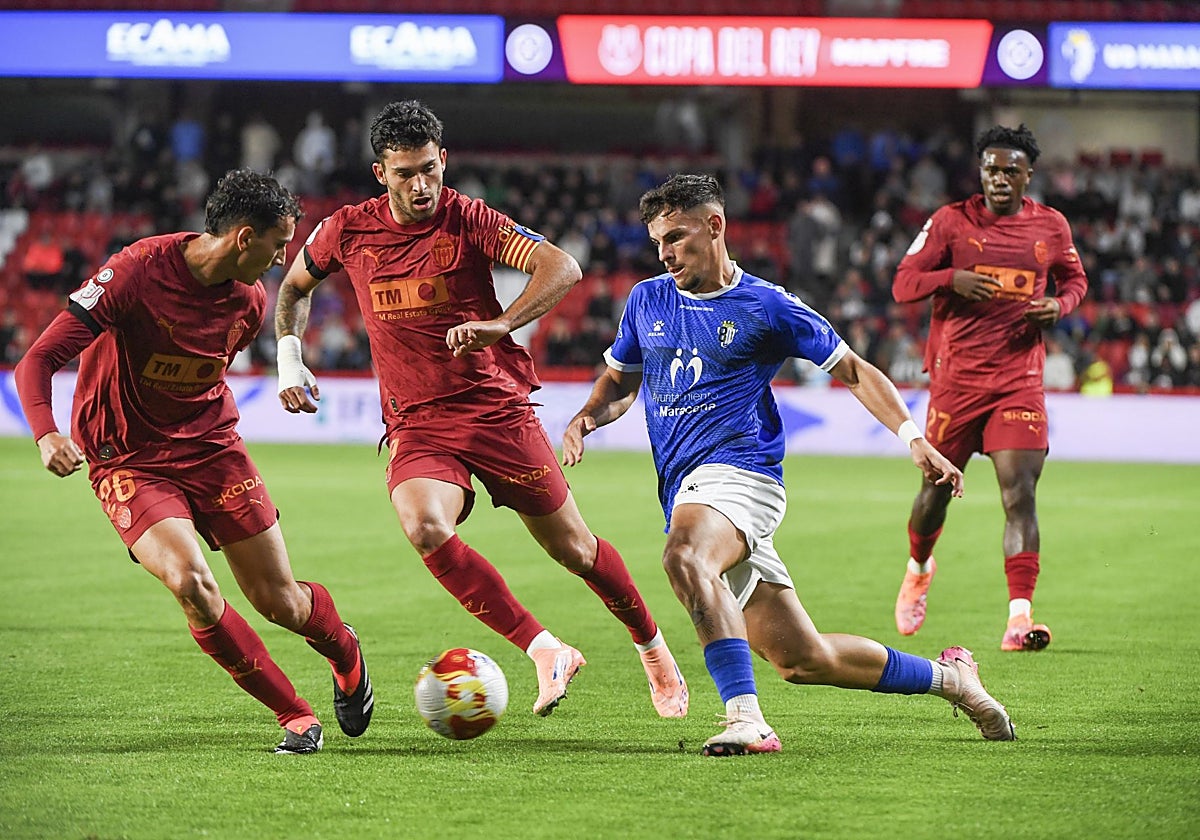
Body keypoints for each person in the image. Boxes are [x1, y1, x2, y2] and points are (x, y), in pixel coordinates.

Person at [562, 173, 1015, 756]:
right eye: (657, 243)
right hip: (686, 489)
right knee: (803, 659)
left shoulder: (766, 306)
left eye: (676, 237)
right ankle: (955, 682)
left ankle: (745, 719)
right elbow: (622, 382)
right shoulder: (648, 298)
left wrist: (913, 437)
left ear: (716, 226)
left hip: (742, 474)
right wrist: (587, 418)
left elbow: (853, 369)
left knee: (684, 555)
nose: (666, 253)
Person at [274, 100, 688, 719]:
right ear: (379, 172)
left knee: (575, 549)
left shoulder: (469, 219)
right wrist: (289, 359)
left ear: (444, 161)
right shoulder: (347, 230)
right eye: (406, 172)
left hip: (494, 411)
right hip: (417, 422)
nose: (421, 186)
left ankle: (653, 649)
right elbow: (293, 287)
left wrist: (501, 324)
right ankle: (546, 649)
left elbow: (562, 266)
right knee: (423, 524)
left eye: (430, 170)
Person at [14, 170, 373, 755]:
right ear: (243, 237)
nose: (284, 256)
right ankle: (296, 716)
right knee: (191, 582)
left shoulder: (249, 304)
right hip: (128, 457)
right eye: (279, 243)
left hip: (212, 450)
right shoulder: (136, 271)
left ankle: (344, 649)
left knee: (279, 602)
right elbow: (38, 359)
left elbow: (201, 381)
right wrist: (45, 434)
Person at [891, 124, 1089, 651]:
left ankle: (1019, 620)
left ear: (1029, 175)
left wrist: (1060, 306)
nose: (999, 179)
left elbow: (1075, 281)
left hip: (1018, 382)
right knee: (933, 497)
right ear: (981, 173)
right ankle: (918, 566)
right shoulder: (950, 223)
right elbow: (902, 282)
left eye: (1010, 171)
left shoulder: (1051, 226)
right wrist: (949, 278)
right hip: (956, 383)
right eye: (991, 169)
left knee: (1019, 494)